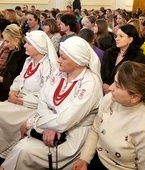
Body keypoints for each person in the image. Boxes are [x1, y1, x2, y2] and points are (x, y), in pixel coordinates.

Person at [0, 36, 103, 170]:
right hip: (48, 126)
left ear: (78, 62)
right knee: (21, 147)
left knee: (23, 150)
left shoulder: (90, 83)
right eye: (59, 56)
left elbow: (66, 119)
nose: (58, 61)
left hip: (72, 134)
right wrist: (48, 126)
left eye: (63, 58)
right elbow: (43, 99)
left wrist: (33, 123)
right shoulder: (60, 73)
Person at [72, 61, 145, 170]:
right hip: (98, 158)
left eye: (117, 85)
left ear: (135, 97)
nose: (111, 88)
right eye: (114, 81)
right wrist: (84, 159)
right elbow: (95, 129)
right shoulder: (110, 99)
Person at [0, 30, 58, 163]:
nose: (25, 45)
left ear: (39, 47)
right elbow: (20, 79)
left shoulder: (48, 67)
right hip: (19, 99)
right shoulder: (29, 60)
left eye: (28, 44)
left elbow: (45, 97)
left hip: (32, 107)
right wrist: (12, 91)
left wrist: (20, 99)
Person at [101, 24, 145, 94]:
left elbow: (134, 81)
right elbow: (102, 71)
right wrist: (104, 85)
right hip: (103, 89)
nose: (116, 38)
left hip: (124, 93)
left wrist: (112, 88)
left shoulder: (139, 57)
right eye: (116, 36)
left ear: (130, 39)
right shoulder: (109, 52)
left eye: (121, 36)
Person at [0, 24, 28, 101]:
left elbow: (21, 79)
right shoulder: (14, 50)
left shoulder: (25, 54)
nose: (5, 44)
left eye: (7, 41)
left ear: (16, 40)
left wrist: (2, 79)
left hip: (13, 90)